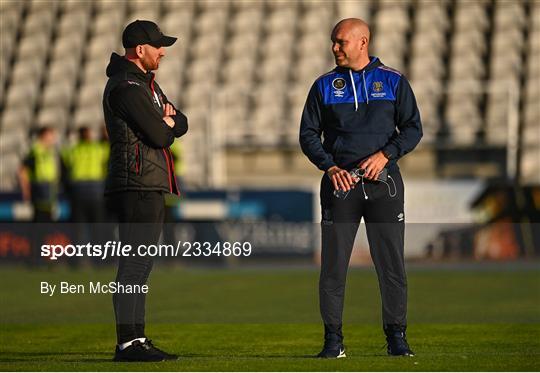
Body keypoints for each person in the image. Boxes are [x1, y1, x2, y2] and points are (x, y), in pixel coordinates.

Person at [300, 18, 422, 358]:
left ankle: (396, 337)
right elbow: (308, 134)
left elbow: (413, 129)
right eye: (333, 42)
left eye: (340, 42)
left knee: (391, 265)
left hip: (385, 188)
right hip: (340, 188)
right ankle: (333, 341)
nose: (335, 48)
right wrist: (329, 166)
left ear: (362, 42)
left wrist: (386, 155)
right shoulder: (323, 85)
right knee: (333, 268)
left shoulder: (394, 81)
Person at [102, 19, 188, 362]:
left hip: (147, 183)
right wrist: (166, 122)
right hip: (136, 184)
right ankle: (128, 342)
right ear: (141, 50)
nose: (162, 52)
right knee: (134, 266)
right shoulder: (126, 87)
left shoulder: (144, 85)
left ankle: (136, 338)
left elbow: (181, 120)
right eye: (158, 46)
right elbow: (161, 135)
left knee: (140, 265)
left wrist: (169, 121)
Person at [61, 126, 109, 266]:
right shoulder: (94, 148)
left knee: (89, 229)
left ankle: (89, 260)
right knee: (83, 229)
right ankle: (87, 260)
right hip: (88, 194)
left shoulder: (77, 150)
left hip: (86, 194)